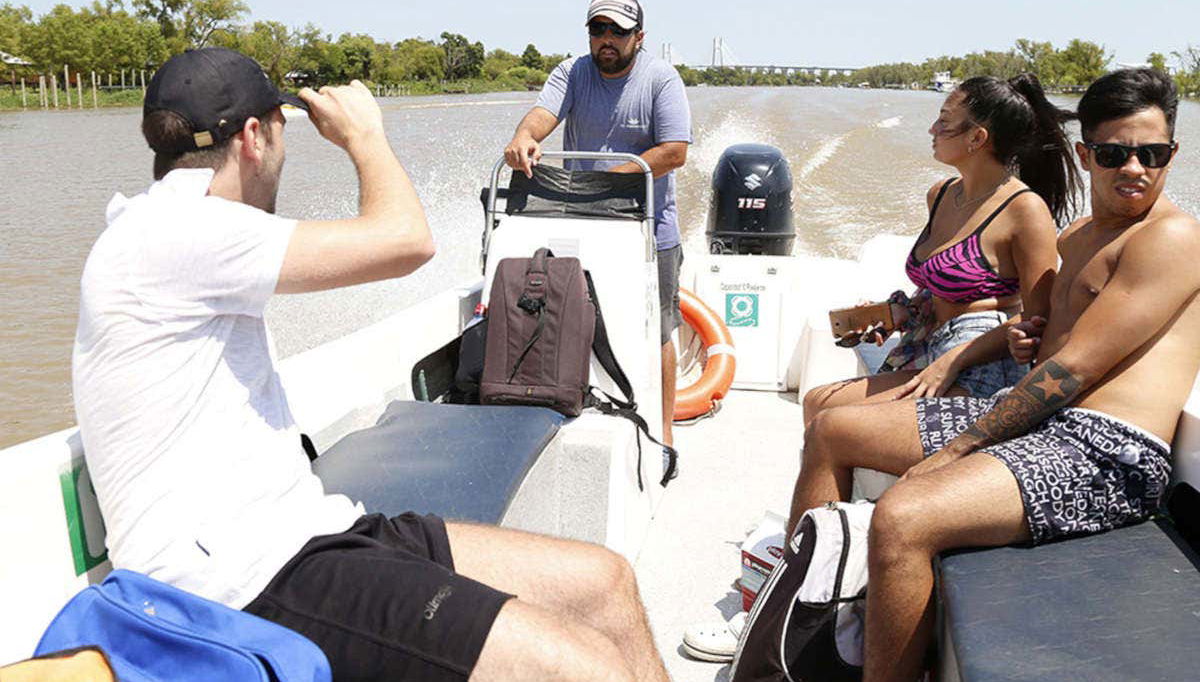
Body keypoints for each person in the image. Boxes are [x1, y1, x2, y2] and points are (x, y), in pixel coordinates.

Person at [73, 47, 669, 682]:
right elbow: (406, 240)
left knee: (606, 583)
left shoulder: (173, 228)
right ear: (253, 137)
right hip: (238, 579)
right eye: (280, 131)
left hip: (315, 530)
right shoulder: (182, 229)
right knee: (588, 668)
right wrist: (365, 138)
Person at [789, 68, 1197, 682]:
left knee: (904, 516)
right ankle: (799, 621)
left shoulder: (1173, 239)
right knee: (833, 428)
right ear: (1086, 155)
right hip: (1042, 419)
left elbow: (1076, 366)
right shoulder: (1080, 235)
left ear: (1172, 153)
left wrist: (961, 447)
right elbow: (1049, 342)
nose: (1134, 169)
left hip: (1108, 452)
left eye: (1152, 153)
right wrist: (1021, 338)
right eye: (1114, 154)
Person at [802, 73, 1082, 427]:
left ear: (977, 138)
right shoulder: (941, 194)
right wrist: (899, 314)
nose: (932, 129)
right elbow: (939, 285)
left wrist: (956, 360)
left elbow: (1038, 319)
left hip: (981, 365)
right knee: (817, 402)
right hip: (931, 346)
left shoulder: (1025, 210)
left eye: (944, 121)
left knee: (838, 422)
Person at [504, 0, 692, 462]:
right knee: (569, 319)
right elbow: (541, 115)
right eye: (597, 29)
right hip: (581, 222)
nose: (606, 39)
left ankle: (665, 435)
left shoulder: (661, 79)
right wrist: (524, 136)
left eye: (617, 31)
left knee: (659, 331)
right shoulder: (572, 73)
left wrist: (615, 176)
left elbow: (674, 151)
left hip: (649, 228)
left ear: (639, 37)